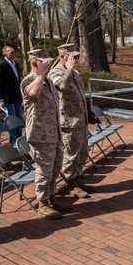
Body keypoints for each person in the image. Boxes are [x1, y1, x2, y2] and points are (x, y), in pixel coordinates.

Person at [21, 48, 72, 219]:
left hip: (54, 133)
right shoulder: (28, 81)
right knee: (44, 170)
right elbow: (33, 93)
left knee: (56, 167)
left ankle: (52, 197)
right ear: (34, 62)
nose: (48, 65)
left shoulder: (48, 82)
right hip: (40, 136)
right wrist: (40, 74)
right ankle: (42, 203)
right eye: (44, 62)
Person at [48, 43, 94, 198]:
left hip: (81, 121)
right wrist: (68, 69)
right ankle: (70, 183)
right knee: (71, 154)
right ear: (63, 56)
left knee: (82, 153)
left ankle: (78, 178)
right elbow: (61, 86)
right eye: (72, 56)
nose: (75, 59)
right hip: (69, 123)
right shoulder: (56, 72)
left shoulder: (74, 73)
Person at [0, 45, 24, 140]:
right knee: (11, 119)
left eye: (14, 52)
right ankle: (13, 139)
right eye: (11, 52)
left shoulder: (16, 64)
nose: (14, 54)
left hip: (17, 96)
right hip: (8, 97)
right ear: (5, 54)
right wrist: (1, 99)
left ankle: (19, 138)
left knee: (19, 118)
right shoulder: (1, 66)